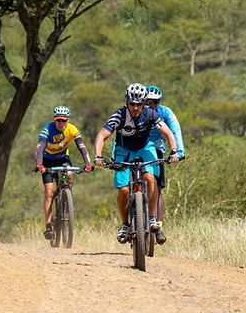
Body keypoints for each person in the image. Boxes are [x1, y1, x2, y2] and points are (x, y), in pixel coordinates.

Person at [93, 83, 180, 244]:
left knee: (150, 177)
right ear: (127, 102)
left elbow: (168, 132)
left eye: (139, 104)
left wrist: (174, 151)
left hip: (145, 148)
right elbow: (102, 136)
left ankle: (152, 218)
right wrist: (98, 156)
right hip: (124, 150)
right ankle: (125, 225)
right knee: (124, 190)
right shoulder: (119, 115)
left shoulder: (150, 114)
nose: (135, 107)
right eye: (132, 103)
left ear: (143, 103)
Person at [35, 105, 93, 240]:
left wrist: (88, 164)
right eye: (58, 120)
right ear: (54, 119)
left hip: (62, 158)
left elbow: (82, 147)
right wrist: (40, 164)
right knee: (49, 192)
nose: (61, 123)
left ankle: (67, 198)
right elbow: (40, 147)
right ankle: (48, 225)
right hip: (47, 160)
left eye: (64, 120)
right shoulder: (47, 129)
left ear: (68, 120)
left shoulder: (72, 129)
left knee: (69, 175)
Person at [144, 84, 185, 245]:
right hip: (135, 149)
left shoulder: (165, 112)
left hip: (157, 151)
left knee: (157, 188)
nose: (152, 105)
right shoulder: (136, 112)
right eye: (149, 101)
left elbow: (175, 131)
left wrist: (178, 151)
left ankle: (158, 226)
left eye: (155, 102)